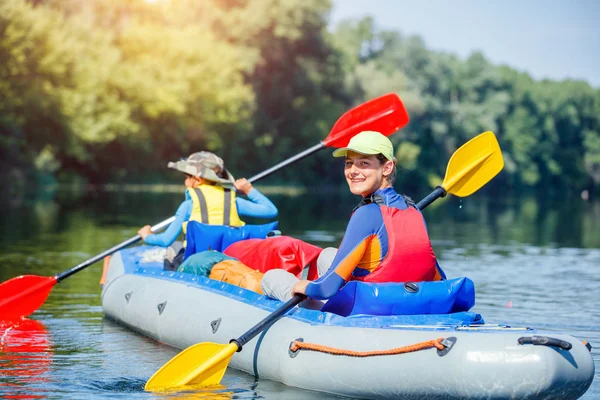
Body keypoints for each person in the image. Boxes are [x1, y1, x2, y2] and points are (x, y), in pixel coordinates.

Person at [261, 130, 445, 303]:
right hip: (401, 301)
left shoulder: (366, 213)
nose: (353, 171)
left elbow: (326, 289)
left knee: (272, 278)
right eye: (349, 163)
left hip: (368, 311)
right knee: (328, 255)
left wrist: (303, 286)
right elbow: (436, 276)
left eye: (364, 163)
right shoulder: (412, 209)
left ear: (387, 167)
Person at [138, 151, 278, 269]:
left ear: (198, 179)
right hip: (229, 261)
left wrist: (148, 236)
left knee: (173, 248)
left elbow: (165, 240)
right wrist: (249, 190)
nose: (185, 182)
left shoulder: (188, 205)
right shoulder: (233, 200)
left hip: (197, 264)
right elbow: (271, 210)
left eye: (187, 177)